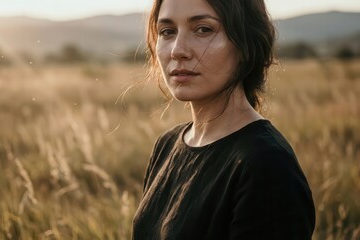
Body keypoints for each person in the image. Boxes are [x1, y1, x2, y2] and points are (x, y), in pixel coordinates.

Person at [132, 0, 315, 239]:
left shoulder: (267, 164)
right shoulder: (167, 144)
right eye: (167, 31)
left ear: (246, 43)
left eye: (203, 29)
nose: (177, 50)